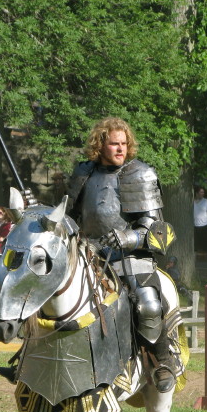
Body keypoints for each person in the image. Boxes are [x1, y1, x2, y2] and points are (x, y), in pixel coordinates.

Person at [66, 117, 178, 392]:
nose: (120, 149)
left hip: (129, 257)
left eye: (124, 144)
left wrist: (128, 237)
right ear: (100, 145)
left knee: (148, 303)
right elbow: (68, 216)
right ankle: (31, 358)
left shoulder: (139, 174)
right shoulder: (84, 173)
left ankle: (161, 362)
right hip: (87, 253)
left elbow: (160, 233)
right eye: (113, 144)